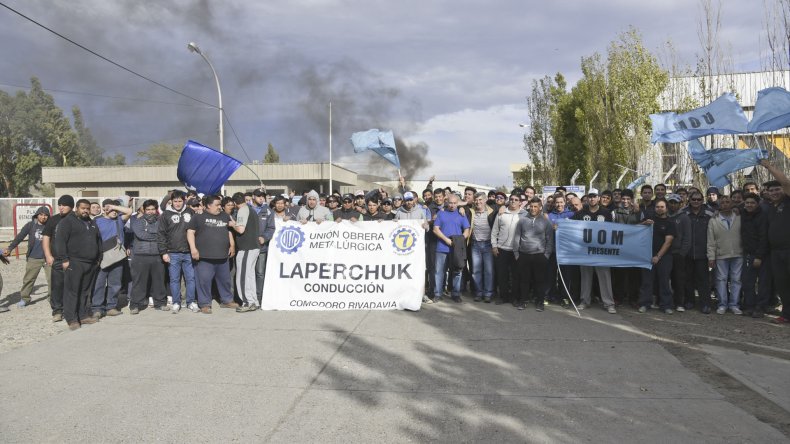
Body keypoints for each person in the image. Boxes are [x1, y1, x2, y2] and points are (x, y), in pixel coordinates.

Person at [53, 199, 101, 330]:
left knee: (85, 291)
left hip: (90, 263)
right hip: (74, 262)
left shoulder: (92, 223)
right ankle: (72, 318)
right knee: (72, 292)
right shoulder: (67, 222)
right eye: (83, 208)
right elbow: (60, 241)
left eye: (87, 208)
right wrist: (64, 259)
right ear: (77, 208)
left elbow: (98, 241)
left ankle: (83, 315)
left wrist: (98, 258)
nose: (85, 210)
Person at [187, 195, 238, 314]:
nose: (220, 207)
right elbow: (190, 232)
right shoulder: (198, 217)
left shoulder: (225, 216)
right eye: (217, 205)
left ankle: (226, 300)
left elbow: (230, 231)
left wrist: (232, 245)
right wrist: (193, 249)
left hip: (222, 257)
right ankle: (205, 304)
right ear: (209, 205)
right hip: (204, 257)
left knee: (225, 280)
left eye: (220, 205)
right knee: (204, 281)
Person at [572, 189, 617, 313]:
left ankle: (609, 303)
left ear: (598, 198)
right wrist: (560, 225)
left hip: (601, 252)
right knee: (586, 277)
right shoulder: (581, 213)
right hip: (585, 251)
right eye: (590, 197)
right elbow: (570, 226)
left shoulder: (606, 213)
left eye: (594, 196)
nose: (592, 199)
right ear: (588, 198)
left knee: (604, 277)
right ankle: (584, 301)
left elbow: (613, 231)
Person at [158, 190, 198, 314]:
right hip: (172, 253)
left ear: (184, 200)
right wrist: (163, 252)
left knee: (190, 279)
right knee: (174, 279)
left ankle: (190, 301)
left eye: (180, 201)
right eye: (175, 201)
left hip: (188, 252)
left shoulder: (191, 212)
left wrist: (195, 249)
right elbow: (161, 234)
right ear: (171, 201)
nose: (177, 203)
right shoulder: (165, 214)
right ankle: (176, 302)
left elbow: (197, 231)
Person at [91, 200, 132, 318]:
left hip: (117, 257)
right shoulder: (97, 221)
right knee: (99, 283)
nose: (114, 212)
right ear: (104, 209)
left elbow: (129, 211)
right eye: (111, 210)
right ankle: (97, 308)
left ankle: (111, 307)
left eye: (116, 210)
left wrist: (114, 206)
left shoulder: (119, 220)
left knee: (115, 284)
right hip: (102, 256)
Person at [3, 206, 51, 308]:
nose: (43, 217)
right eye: (41, 215)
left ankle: (52, 298)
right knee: (28, 279)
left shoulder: (51, 226)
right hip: (33, 257)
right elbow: (20, 237)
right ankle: (25, 298)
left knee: (52, 279)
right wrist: (10, 248)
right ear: (37, 215)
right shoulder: (30, 225)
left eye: (46, 215)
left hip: (48, 257)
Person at [762, 159, 790, 324]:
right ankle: (786, 314)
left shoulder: (788, 201)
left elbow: (786, 181)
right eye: (771, 190)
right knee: (782, 285)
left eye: (777, 189)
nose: (774, 192)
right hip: (776, 253)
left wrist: (769, 166)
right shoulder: (771, 208)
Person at [513, 197, 553, 311]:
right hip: (524, 255)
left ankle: (540, 302)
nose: (533, 209)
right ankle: (523, 301)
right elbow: (517, 237)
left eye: (536, 206)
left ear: (540, 207)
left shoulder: (546, 222)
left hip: (540, 255)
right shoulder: (522, 220)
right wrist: (516, 253)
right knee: (524, 280)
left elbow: (550, 240)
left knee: (540, 281)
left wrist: (546, 255)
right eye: (531, 206)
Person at [129, 200, 167, 314]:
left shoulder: (161, 221)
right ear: (144, 210)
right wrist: (157, 235)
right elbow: (141, 235)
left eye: (153, 209)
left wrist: (151, 232)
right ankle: (135, 305)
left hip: (157, 255)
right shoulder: (137, 221)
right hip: (140, 256)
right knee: (139, 282)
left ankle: (160, 303)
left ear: (156, 210)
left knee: (159, 281)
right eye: (148, 209)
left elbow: (164, 234)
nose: (150, 212)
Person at [706, 195, 743, 315]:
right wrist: (711, 257)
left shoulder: (739, 217)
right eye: (723, 202)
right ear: (719, 205)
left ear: (732, 203)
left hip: (738, 253)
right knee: (721, 279)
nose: (725, 204)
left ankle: (734, 305)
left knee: (736, 280)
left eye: (728, 202)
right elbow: (710, 240)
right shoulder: (713, 220)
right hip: (721, 254)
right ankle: (722, 304)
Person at [638, 198, 675, 314]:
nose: (659, 209)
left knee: (664, 281)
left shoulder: (670, 223)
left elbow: (668, 242)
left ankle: (666, 305)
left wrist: (658, 256)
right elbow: (635, 230)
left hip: (664, 257)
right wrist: (644, 224)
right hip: (647, 255)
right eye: (657, 207)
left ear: (666, 208)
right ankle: (645, 303)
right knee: (647, 281)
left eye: (662, 207)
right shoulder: (649, 220)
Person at [42, 195, 74, 322]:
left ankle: (71, 309)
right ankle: (57, 311)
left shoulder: (76, 219)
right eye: (59, 205)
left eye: (64, 205)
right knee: (57, 286)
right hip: (57, 259)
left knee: (72, 286)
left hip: (74, 259)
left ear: (71, 206)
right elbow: (46, 238)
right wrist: (48, 255)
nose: (61, 207)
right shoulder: (53, 220)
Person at [432, 194, 470, 302]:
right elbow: (435, 229)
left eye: (454, 203)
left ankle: (456, 294)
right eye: (450, 203)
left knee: (457, 272)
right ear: (446, 202)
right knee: (439, 272)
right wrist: (446, 240)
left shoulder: (461, 214)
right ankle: (438, 294)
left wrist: (460, 240)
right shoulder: (441, 213)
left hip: (456, 249)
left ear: (457, 203)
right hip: (441, 248)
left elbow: (467, 230)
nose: (452, 205)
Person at [740, 192, 770, 318]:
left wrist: (759, 256)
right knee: (747, 282)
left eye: (752, 203)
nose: (749, 205)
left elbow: (764, 237)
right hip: (747, 253)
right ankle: (749, 305)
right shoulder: (742, 214)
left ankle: (760, 307)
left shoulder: (763, 216)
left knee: (763, 283)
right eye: (747, 203)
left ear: (758, 204)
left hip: (762, 255)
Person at [684, 191, 714, 314]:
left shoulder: (710, 214)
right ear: (689, 200)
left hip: (703, 253)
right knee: (688, 279)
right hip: (687, 253)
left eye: (698, 199)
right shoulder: (684, 213)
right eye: (693, 199)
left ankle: (705, 304)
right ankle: (689, 301)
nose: (696, 202)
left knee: (704, 280)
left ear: (702, 200)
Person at [491, 193, 524, 306]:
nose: (513, 201)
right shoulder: (501, 213)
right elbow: (495, 231)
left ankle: (515, 298)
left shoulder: (524, 214)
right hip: (502, 249)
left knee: (516, 276)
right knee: (502, 275)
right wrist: (494, 246)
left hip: (517, 251)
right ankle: (503, 297)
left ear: (520, 202)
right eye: (511, 199)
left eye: (516, 199)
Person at [230, 192, 260, 312]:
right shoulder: (251, 209)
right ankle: (254, 301)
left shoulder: (242, 210)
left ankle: (247, 302)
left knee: (242, 276)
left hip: (247, 247)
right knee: (249, 275)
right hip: (254, 247)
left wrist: (233, 224)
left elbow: (240, 229)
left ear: (235, 203)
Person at [612, 189, 642, 307]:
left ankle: (633, 299)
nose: (625, 201)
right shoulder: (615, 213)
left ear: (632, 200)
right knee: (619, 275)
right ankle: (618, 298)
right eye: (623, 199)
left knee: (634, 276)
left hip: (634, 250)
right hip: (619, 249)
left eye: (628, 199)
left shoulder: (638, 212)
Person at [469, 192, 496, 302]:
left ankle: (488, 293)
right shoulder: (471, 212)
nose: (478, 202)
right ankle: (479, 292)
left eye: (480, 200)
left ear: (485, 200)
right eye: (476, 200)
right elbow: (456, 203)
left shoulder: (492, 212)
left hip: (488, 245)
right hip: (475, 245)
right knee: (476, 271)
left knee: (489, 271)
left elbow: (503, 205)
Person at [667, 194, 691, 312]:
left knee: (679, 279)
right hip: (665, 253)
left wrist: (682, 253)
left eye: (675, 203)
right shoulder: (665, 216)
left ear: (679, 204)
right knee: (666, 278)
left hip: (678, 253)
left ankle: (679, 302)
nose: (672, 205)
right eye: (671, 202)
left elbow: (687, 237)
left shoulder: (684, 217)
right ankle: (668, 301)